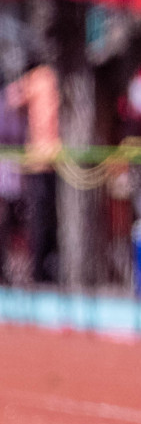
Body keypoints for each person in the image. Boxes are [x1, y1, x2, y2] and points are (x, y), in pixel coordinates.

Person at [7, 61, 59, 284]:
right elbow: (12, 98)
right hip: (42, 161)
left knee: (46, 220)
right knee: (41, 219)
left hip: (54, 161)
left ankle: (44, 269)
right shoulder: (41, 76)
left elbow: (11, 99)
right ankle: (39, 271)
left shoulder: (43, 76)